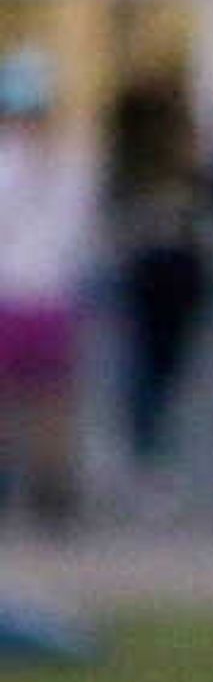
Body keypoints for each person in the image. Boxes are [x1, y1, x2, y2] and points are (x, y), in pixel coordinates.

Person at [105, 76, 213, 511]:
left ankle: (148, 452)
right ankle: (141, 456)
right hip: (151, 269)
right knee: (147, 366)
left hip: (182, 269)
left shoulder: (191, 169)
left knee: (163, 367)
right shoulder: (134, 167)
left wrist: (208, 157)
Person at [0, 50, 101, 532]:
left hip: (26, 292)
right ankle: (47, 493)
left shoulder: (43, 164)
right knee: (45, 400)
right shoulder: (67, 165)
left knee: (35, 400)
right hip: (41, 294)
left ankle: (43, 492)